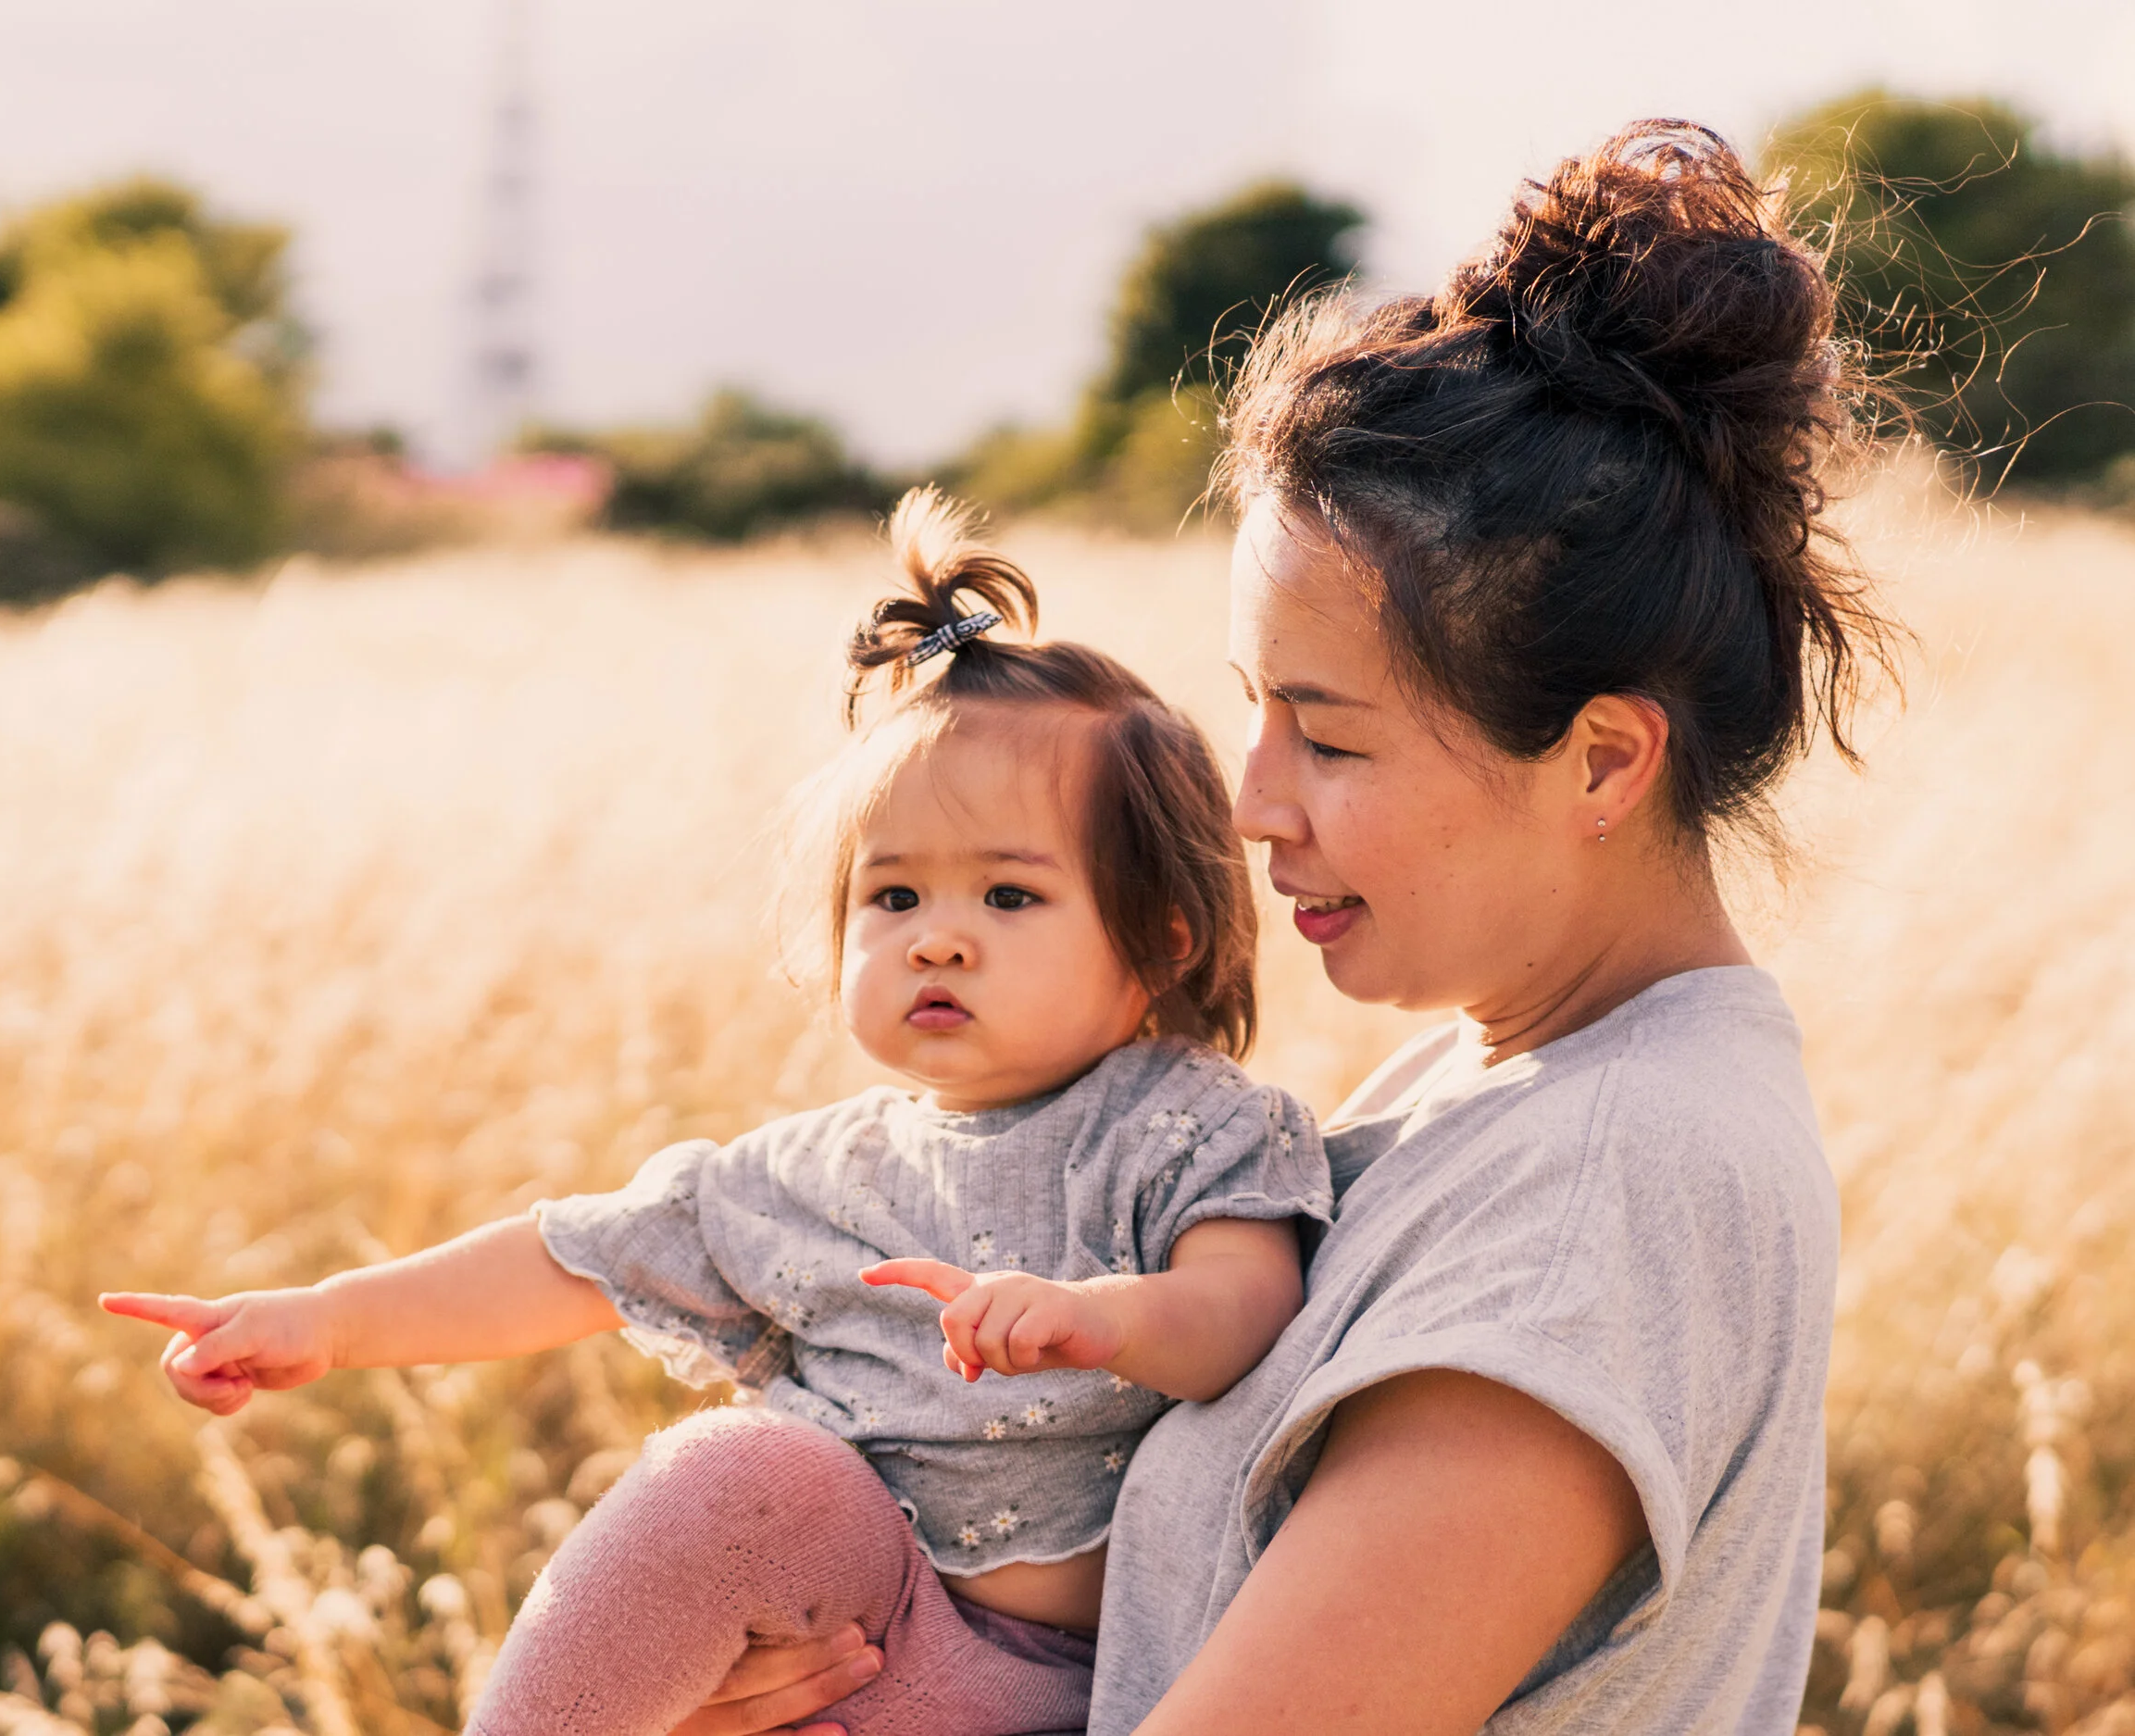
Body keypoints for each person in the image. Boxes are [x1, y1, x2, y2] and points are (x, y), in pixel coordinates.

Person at [680, 120, 1896, 1735]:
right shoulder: (1485, 1088)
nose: (1254, 803)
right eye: (1256, 714)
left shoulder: (1608, 1182)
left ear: (1602, 758)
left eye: (1330, 736)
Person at [101, 488, 1334, 1736]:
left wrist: (1100, 1317)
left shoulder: (1191, 1123)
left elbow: (1247, 1311)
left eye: (1010, 899)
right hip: (852, 1639)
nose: (938, 943)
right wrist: (326, 1321)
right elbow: (569, 1257)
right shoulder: (811, 1172)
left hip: (1090, 1678)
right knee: (739, 1473)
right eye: (893, 896)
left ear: (1165, 934)